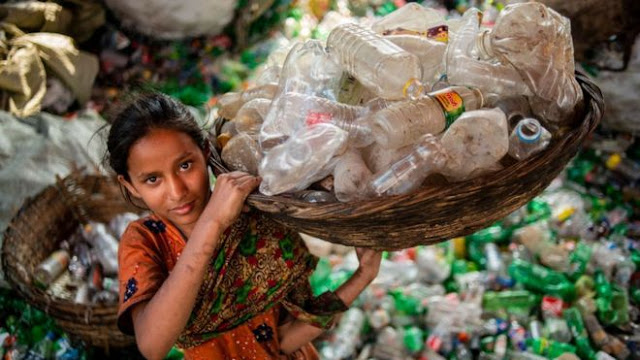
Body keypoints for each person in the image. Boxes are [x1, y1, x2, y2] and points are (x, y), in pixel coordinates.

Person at [105, 92, 382, 360]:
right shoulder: (145, 240)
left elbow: (283, 340)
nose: (177, 191)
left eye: (186, 165)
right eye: (152, 179)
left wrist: (362, 276)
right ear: (129, 185)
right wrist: (212, 224)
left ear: (205, 152)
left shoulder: (258, 217)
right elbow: (153, 346)